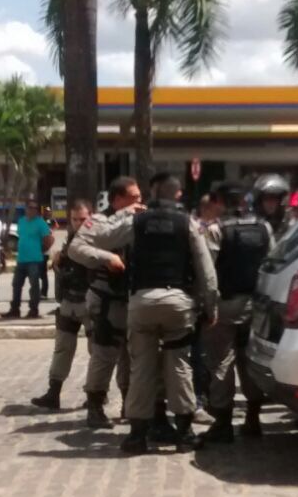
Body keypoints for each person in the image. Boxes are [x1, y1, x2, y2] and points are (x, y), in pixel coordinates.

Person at [72, 174, 218, 455]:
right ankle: (185, 434)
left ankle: (137, 436)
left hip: (140, 304)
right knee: (179, 366)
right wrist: (210, 306)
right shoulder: (186, 222)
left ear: (151, 197)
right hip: (177, 302)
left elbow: (91, 238)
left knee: (141, 368)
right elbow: (206, 270)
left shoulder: (136, 222)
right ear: (177, 197)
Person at [203, 181, 273, 442]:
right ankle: (252, 419)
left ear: (220, 202)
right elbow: (271, 263)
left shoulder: (216, 230)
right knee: (250, 360)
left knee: (221, 362)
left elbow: (208, 273)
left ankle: (222, 423)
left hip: (225, 305)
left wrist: (207, 308)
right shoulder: (263, 228)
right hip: (255, 305)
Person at [68, 177, 139, 429]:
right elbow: (76, 249)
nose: (138, 201)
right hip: (106, 298)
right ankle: (95, 406)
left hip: (132, 299)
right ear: (117, 199)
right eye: (133, 197)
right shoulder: (98, 222)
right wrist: (106, 257)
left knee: (132, 357)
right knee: (104, 354)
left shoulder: (138, 219)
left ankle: (130, 405)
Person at [30, 200, 94, 410]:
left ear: (90, 217)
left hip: (91, 302)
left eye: (83, 219)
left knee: (97, 352)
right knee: (63, 348)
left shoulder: (98, 240)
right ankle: (53, 392)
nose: (78, 223)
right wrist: (59, 262)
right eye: (75, 219)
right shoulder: (68, 241)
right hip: (69, 301)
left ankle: (96, 396)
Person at [5, 200, 53, 319]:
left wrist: (41, 250)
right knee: (16, 284)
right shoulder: (21, 221)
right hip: (21, 259)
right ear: (26, 209)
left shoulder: (40, 223)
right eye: (30, 208)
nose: (33, 210)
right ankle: (15, 309)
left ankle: (33, 310)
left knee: (34, 286)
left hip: (35, 259)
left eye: (35, 208)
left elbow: (49, 239)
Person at [252, 173, 291, 240]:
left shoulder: (289, 225)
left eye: (274, 199)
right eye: (266, 199)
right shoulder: (253, 226)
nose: (270, 203)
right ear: (260, 202)